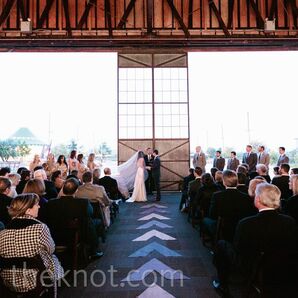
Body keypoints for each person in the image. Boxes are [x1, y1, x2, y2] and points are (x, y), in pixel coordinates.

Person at [212, 183, 297, 296]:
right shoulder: (289, 221)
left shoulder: (246, 223)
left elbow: (238, 250)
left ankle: (222, 283)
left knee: (222, 244)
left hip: (252, 266)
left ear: (258, 200)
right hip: (283, 265)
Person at [0, 193, 64, 295]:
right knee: (51, 257)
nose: (39, 206)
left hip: (9, 280)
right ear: (28, 210)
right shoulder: (40, 228)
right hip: (35, 280)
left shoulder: (2, 233)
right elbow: (51, 249)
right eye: (36, 204)